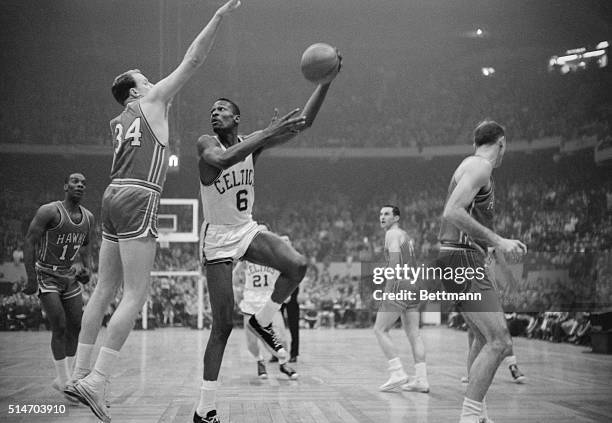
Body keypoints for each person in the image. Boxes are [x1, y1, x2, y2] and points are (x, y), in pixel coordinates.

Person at [63, 2, 242, 422]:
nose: (152, 79)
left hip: (110, 194)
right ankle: (98, 380)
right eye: (144, 78)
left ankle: (77, 375)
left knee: (103, 289)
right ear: (135, 91)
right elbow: (193, 59)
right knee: (136, 294)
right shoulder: (153, 100)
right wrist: (217, 18)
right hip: (139, 196)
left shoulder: (117, 121)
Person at [195, 59, 339, 422]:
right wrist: (267, 133)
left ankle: (264, 318)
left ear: (236, 119)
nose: (216, 113)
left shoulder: (250, 142)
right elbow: (226, 158)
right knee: (223, 324)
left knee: (298, 265)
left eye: (223, 110)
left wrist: (324, 83)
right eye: (212, 110)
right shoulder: (206, 144)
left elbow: (302, 123)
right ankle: (204, 409)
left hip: (245, 230)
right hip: (217, 240)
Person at [436, 120, 527, 423]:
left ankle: (480, 413)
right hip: (461, 260)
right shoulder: (480, 167)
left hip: (459, 257)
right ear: (501, 142)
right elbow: (452, 211)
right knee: (500, 340)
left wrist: (488, 248)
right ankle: (470, 417)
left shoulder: (468, 165)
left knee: (481, 338)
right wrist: (499, 240)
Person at [22, 173, 95, 401]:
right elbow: (29, 241)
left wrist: (88, 269)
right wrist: (30, 276)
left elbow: (86, 248)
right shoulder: (49, 211)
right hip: (45, 273)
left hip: (68, 275)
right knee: (60, 325)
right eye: (75, 181)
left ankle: (69, 379)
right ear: (65, 186)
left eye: (83, 182)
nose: (80, 185)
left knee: (75, 325)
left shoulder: (89, 218)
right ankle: (64, 381)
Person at [373, 205, 429, 393]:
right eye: (380, 214)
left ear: (396, 218)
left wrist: (389, 289)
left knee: (380, 329)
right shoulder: (405, 235)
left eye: (387, 214)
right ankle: (421, 379)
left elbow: (396, 260)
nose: (382, 217)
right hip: (413, 285)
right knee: (414, 334)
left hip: (399, 283)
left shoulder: (392, 235)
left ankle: (397, 372)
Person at [232, 235, 297, 381]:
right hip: (250, 302)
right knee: (251, 343)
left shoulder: (276, 257)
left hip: (269, 301)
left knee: (282, 338)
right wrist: (237, 291)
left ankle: (283, 363)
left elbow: (288, 274)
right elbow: (235, 275)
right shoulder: (247, 256)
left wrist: (285, 292)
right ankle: (260, 360)